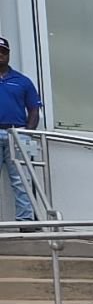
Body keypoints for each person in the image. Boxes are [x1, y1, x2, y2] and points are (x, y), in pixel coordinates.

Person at [0, 36, 42, 223]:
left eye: (4, 52)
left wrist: (27, 132)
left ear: (9, 55)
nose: (0, 55)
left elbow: (34, 109)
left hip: (17, 133)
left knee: (21, 179)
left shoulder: (23, 81)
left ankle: (25, 221)